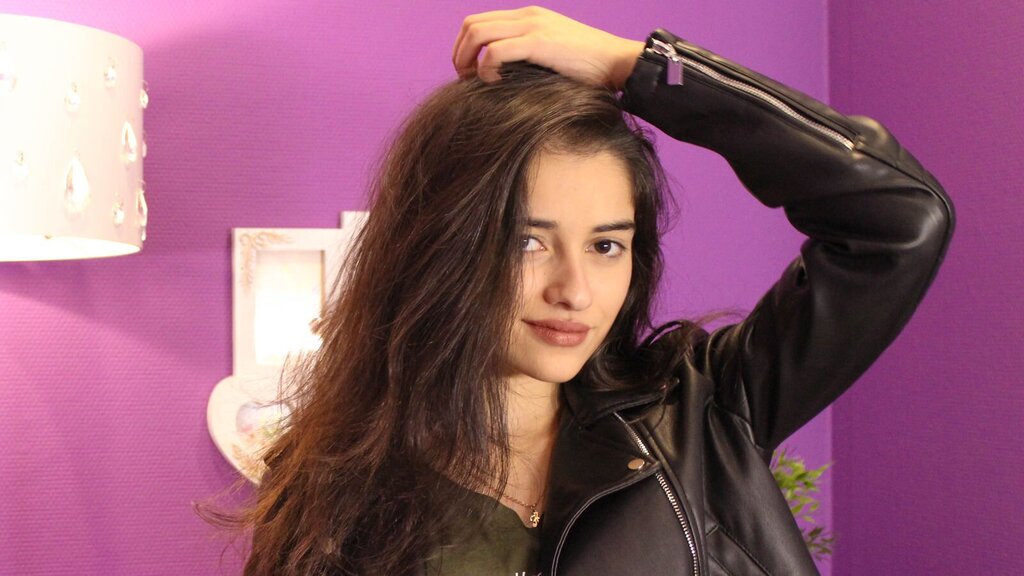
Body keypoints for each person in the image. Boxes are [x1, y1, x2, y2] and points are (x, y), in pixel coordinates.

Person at [237, 7, 954, 575]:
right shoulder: (330, 489)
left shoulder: (704, 414)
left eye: (606, 245)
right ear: (442, 245)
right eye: (527, 242)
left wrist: (638, 67)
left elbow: (900, 220)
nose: (575, 291)